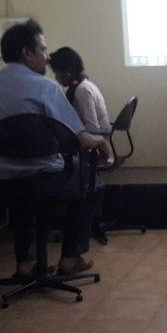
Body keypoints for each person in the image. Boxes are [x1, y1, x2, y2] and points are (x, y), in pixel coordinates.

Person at [0, 19, 103, 277]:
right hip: (46, 180)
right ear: (27, 53)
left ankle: (26, 263)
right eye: (43, 50)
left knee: (22, 196)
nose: (46, 57)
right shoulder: (47, 88)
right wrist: (100, 142)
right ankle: (71, 257)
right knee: (93, 183)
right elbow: (78, 138)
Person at [48, 45, 112, 244]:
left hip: (94, 146)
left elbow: (91, 127)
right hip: (95, 142)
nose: (56, 78)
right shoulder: (84, 85)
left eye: (57, 73)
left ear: (68, 71)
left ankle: (74, 226)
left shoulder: (82, 91)